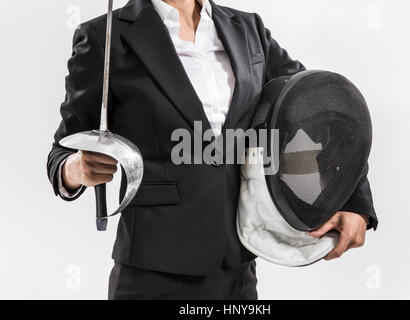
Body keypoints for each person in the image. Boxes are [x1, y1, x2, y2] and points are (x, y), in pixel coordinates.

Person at [47, 0, 377, 300]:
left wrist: (353, 200)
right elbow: (62, 150)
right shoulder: (104, 36)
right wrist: (75, 169)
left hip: (238, 266)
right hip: (152, 271)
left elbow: (318, 105)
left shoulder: (249, 29)